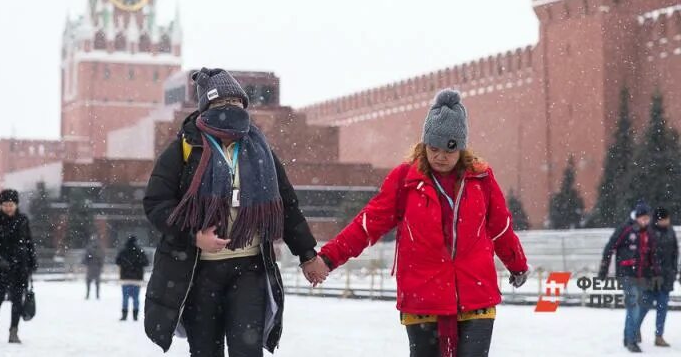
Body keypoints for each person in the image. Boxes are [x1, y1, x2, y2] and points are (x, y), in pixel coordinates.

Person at [308, 89, 529, 357]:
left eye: (449, 149)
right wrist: (328, 258)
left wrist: (517, 265)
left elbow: (501, 227)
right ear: (424, 145)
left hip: (475, 294)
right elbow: (368, 225)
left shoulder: (481, 179)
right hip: (423, 296)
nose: (440, 156)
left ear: (461, 147)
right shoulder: (405, 181)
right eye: (433, 148)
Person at [142, 68, 323, 356]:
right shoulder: (185, 148)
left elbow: (286, 205)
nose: (231, 111)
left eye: (237, 104)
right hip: (198, 271)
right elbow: (155, 203)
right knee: (205, 351)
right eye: (222, 104)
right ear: (206, 109)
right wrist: (193, 237)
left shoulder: (260, 150)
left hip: (249, 269)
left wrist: (307, 253)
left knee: (247, 351)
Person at [598, 200, 660, 353]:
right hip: (627, 274)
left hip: (643, 275)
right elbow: (609, 247)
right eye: (643, 218)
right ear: (637, 217)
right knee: (634, 307)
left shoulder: (649, 233)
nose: (646, 221)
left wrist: (656, 273)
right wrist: (603, 271)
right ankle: (631, 340)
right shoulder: (626, 229)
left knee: (640, 306)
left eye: (648, 218)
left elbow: (653, 255)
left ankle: (628, 337)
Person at [0, 189, 37, 344]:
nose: (9, 207)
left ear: (16, 204)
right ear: (1, 205)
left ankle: (14, 331)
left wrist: (32, 262)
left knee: (17, 300)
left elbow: (29, 242)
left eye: (11, 204)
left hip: (20, 266)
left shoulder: (23, 220)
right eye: (6, 204)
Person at [637, 207, 678, 348]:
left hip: (666, 277)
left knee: (662, 308)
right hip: (651, 277)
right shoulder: (648, 232)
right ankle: (635, 329)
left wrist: (674, 271)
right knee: (644, 306)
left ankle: (659, 336)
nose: (668, 221)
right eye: (665, 219)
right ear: (659, 220)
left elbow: (675, 253)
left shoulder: (671, 232)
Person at [115, 235, 149, 321]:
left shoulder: (123, 252)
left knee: (125, 298)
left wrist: (126, 265)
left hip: (125, 279)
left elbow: (117, 261)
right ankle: (135, 315)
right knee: (136, 298)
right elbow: (146, 263)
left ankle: (124, 315)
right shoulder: (139, 252)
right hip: (136, 279)